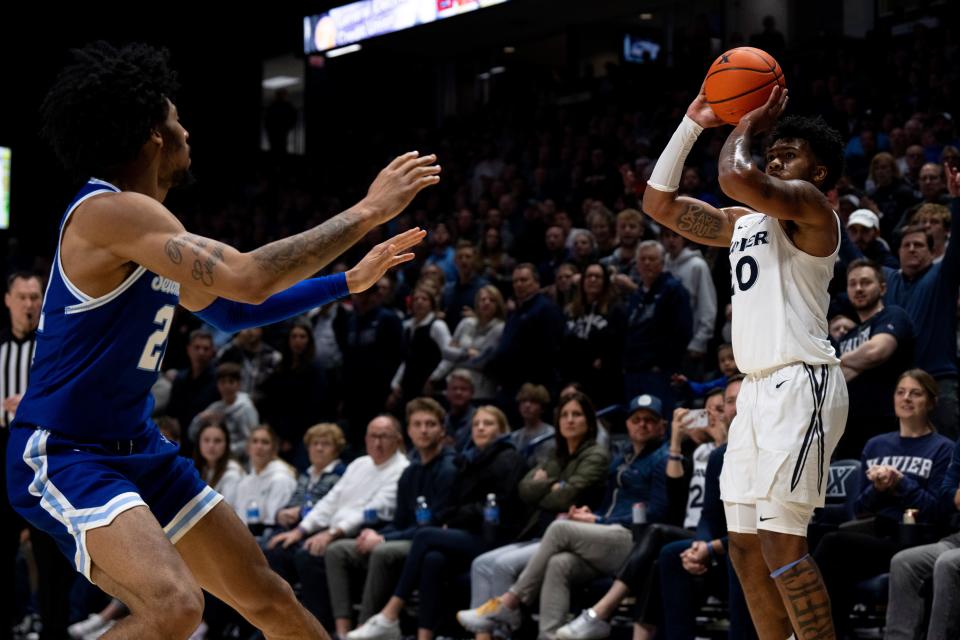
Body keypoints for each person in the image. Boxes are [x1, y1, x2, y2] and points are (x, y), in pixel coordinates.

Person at [7, 41, 438, 639]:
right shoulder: (109, 213)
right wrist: (367, 211)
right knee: (176, 607)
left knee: (269, 597)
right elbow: (250, 277)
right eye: (180, 124)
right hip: (67, 452)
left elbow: (231, 309)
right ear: (154, 138)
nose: (189, 135)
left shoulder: (148, 231)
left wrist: (347, 280)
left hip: (137, 448)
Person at [643, 83, 848, 638]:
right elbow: (657, 204)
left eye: (792, 151)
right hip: (753, 392)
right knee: (744, 546)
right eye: (774, 148)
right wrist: (692, 122)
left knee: (783, 543)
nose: (777, 154)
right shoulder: (741, 222)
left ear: (821, 173)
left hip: (800, 381)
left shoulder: (812, 208)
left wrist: (748, 124)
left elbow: (735, 175)